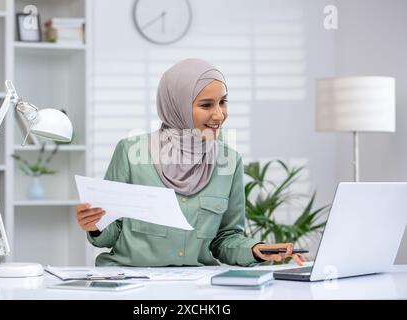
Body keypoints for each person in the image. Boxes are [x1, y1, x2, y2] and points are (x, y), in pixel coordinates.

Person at [76, 58, 306, 267]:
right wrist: (95, 226)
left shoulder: (230, 161)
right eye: (206, 105)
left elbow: (225, 239)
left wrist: (254, 250)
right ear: (176, 106)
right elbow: (111, 233)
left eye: (223, 102)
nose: (219, 115)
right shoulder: (130, 152)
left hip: (197, 286)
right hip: (133, 282)